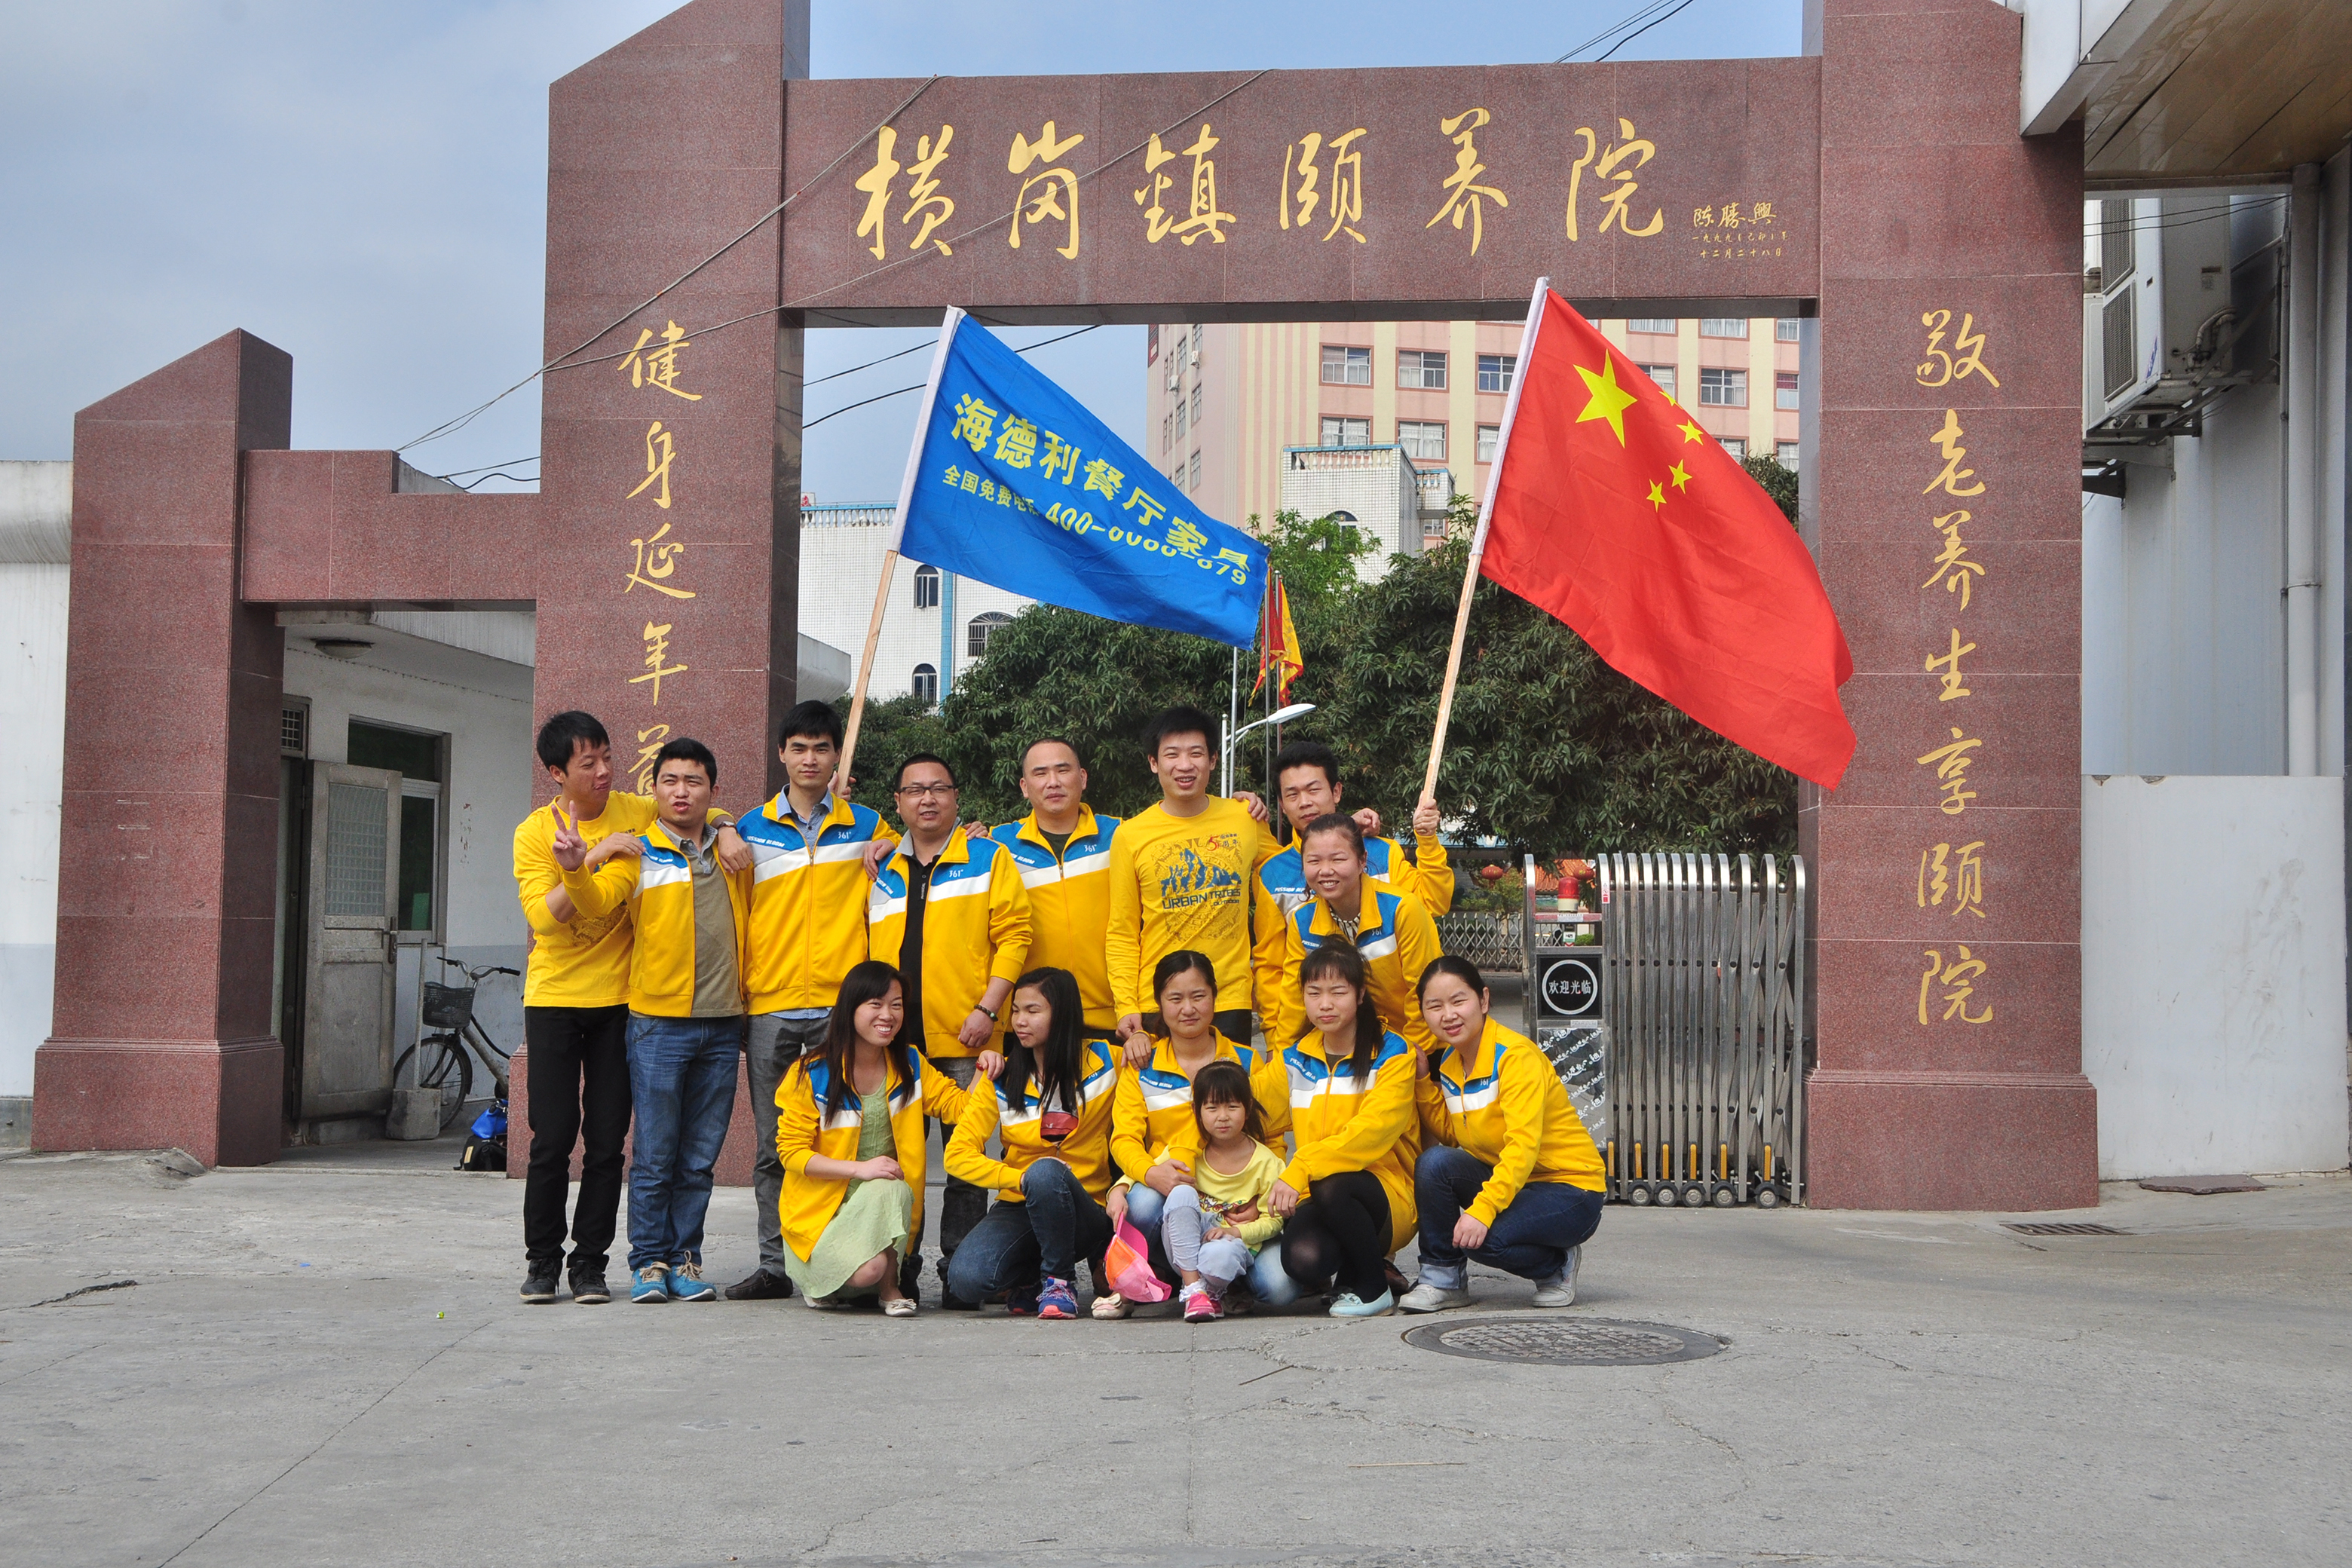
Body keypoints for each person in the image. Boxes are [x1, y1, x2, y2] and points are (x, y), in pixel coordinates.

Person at [510, 710, 746, 1307]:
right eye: (588, 763)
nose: (603, 771)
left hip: (620, 1002)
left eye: (608, 757)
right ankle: (543, 1261)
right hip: (556, 998)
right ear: (557, 773)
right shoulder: (534, 833)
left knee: (608, 1141)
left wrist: (727, 826)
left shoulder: (633, 809)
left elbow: (689, 804)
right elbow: (544, 919)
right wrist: (586, 858)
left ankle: (590, 1264)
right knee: (552, 1137)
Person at [726, 700, 899, 1303]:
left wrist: (900, 844)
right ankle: (776, 1263)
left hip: (839, 1010)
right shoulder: (748, 830)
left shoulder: (869, 826)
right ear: (782, 754)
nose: (809, 759)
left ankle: (850, 1253)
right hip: (770, 1006)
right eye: (798, 748)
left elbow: (923, 848)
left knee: (849, 1140)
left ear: (835, 758)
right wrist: (722, 824)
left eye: (821, 748)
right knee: (775, 1145)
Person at [868, 752, 1032, 1306]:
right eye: (915, 790)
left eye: (938, 788)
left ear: (956, 797)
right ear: (898, 803)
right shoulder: (882, 870)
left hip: (967, 1036)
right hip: (896, 1042)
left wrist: (988, 1009)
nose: (928, 799)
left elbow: (1016, 935)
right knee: (899, 1160)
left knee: (965, 1161)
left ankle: (959, 1271)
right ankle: (900, 1268)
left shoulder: (987, 857)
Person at [1401, 957, 1606, 1312]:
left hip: (1570, 1189)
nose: (1448, 1015)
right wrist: (1422, 1081)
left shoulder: (1515, 1058)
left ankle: (1557, 1266)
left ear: (1483, 1000)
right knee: (1435, 1163)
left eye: (1458, 1001)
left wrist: (1482, 1210)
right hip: (1515, 1184)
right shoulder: (1450, 1063)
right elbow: (1454, 1135)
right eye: (1435, 1006)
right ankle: (1443, 1278)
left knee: (1482, 1241)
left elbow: (1523, 1147)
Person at [774, 960, 973, 1315]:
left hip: (880, 1211)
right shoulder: (812, 1073)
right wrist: (859, 1169)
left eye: (896, 1005)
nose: (888, 1015)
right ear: (850, 1008)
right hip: (820, 1222)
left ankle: (888, 1287)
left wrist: (986, 1071)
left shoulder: (909, 1064)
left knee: (889, 1186)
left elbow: (960, 1108)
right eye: (876, 1004)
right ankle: (832, 1280)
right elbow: (791, 1154)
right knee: (883, 1190)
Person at [1092, 949, 1275, 1319]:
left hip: (1236, 1198)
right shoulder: (1142, 1065)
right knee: (1143, 1204)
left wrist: (1261, 1197)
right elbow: (1124, 1138)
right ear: (1159, 1004)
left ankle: (1220, 1281)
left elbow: (1272, 1138)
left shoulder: (1246, 1062)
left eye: (1198, 996)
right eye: (1175, 999)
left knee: (1278, 1288)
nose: (1188, 1009)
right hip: (1172, 1188)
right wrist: (1148, 1174)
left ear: (1215, 997)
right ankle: (1164, 1279)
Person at [944, 968, 1120, 1318]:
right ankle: (1031, 1280)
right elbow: (956, 1156)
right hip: (1021, 1201)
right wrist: (1019, 1179)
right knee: (965, 1280)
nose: (1020, 1021)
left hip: (1087, 1205)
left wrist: (1139, 1037)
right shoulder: (1001, 1076)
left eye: (1032, 1011)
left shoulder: (1108, 1061)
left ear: (1063, 1014)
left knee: (1046, 1173)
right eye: (1015, 1011)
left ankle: (1059, 1281)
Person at [1105, 706, 1280, 1050]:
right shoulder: (1130, 835)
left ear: (1213, 760)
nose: (1184, 765)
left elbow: (1294, 870)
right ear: (1154, 763)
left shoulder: (1245, 819)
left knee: (1228, 1087)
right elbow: (1122, 931)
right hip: (1159, 999)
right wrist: (1126, 1004)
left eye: (1196, 753)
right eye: (1172, 755)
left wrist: (1352, 831)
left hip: (1228, 998)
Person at [1264, 942, 1419, 1318]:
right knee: (1304, 1259)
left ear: (1361, 994)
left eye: (1338, 992)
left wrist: (1302, 1166)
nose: (1325, 1004)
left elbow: (1372, 1131)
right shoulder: (1296, 1057)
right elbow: (1253, 1109)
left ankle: (1374, 1289)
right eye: (1314, 993)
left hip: (1388, 1194)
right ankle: (1357, 1267)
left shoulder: (1392, 1053)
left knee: (1332, 1182)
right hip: (1318, 1192)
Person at [1252, 740, 1452, 1024]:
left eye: (1313, 789)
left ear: (1336, 791)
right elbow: (1271, 968)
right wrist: (1277, 1036)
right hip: (1322, 1033)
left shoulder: (1381, 852)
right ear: (1282, 806)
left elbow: (1434, 902)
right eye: (1292, 794)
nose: (1304, 802)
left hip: (1402, 1030)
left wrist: (1428, 840)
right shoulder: (1272, 873)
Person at [1266, 812, 1445, 1057]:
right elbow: (1294, 1001)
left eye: (1338, 859)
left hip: (1418, 1045)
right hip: (1352, 1048)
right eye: (1314, 861)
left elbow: (1424, 991)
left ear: (1362, 861)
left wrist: (1411, 1056)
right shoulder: (1302, 921)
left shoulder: (1402, 908)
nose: (1325, 871)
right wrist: (1281, 1059)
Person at [1121, 1058, 1286, 1322]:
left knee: (1221, 1255)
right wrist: (1118, 1190)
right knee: (1181, 1193)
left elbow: (1275, 1221)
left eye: (1232, 1107)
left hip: (1231, 1247)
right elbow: (1146, 1170)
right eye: (1212, 1107)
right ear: (1196, 1110)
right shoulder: (1186, 1149)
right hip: (1185, 1245)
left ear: (1248, 1108)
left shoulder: (1267, 1162)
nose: (1223, 1116)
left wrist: (1236, 1232)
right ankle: (1194, 1290)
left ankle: (1213, 1291)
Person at [990, 737, 1122, 1042]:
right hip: (1033, 1019)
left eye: (1063, 770)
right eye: (1040, 773)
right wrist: (887, 842)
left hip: (1112, 1014)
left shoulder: (1120, 834)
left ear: (1083, 778)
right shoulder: (998, 845)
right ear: (1025, 787)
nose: (1053, 782)